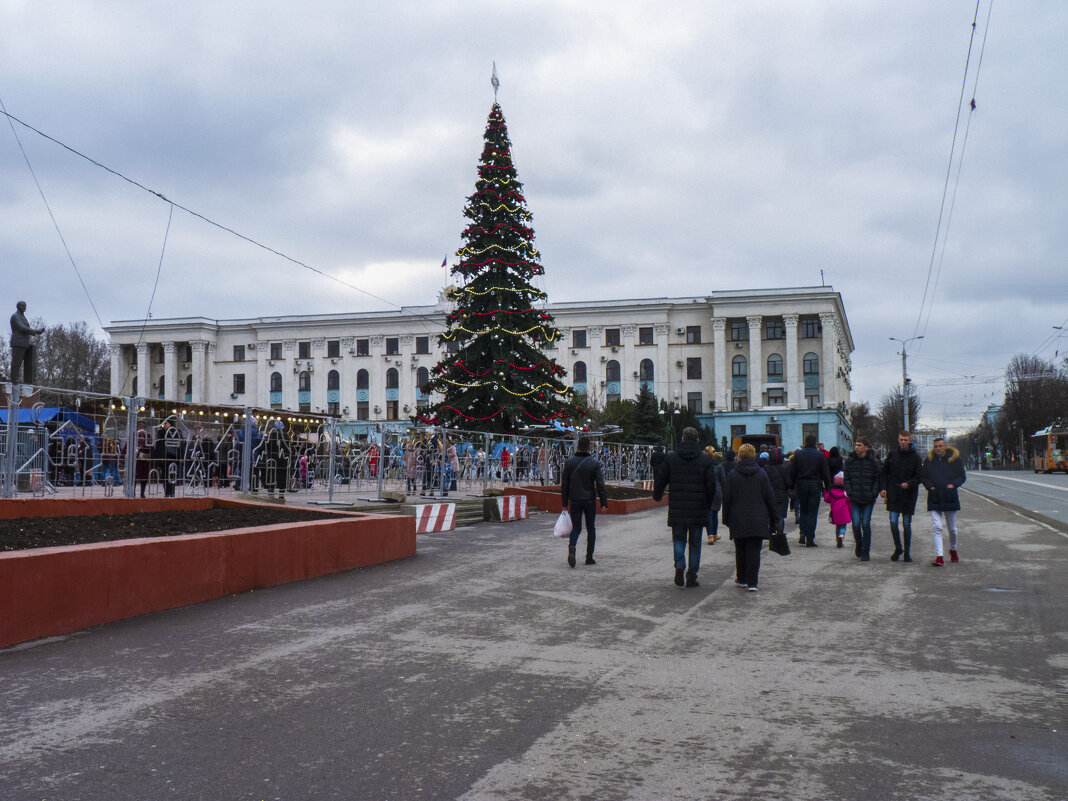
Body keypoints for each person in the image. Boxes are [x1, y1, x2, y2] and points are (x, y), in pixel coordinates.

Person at [653, 428, 718, 587]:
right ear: (697, 440)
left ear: (682, 438)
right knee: (695, 543)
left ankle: (679, 564)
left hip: (678, 506)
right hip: (698, 507)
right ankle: (691, 576)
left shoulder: (671, 458)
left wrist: (657, 495)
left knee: (679, 539)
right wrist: (709, 503)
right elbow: (711, 485)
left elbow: (661, 478)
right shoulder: (705, 460)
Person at [722, 443, 777, 592]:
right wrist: (774, 518)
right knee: (754, 550)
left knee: (740, 549)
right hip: (758, 518)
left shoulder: (733, 474)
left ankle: (742, 578)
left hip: (737, 518)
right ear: (754, 455)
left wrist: (725, 518)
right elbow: (769, 497)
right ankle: (753, 583)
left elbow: (727, 498)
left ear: (739, 455)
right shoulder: (762, 474)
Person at [560, 436, 608, 568]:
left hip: (575, 500)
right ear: (589, 448)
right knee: (591, 528)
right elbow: (600, 484)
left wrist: (564, 503)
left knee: (576, 527)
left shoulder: (569, 463)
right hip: (589, 501)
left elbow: (564, 485)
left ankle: (572, 546)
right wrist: (604, 502)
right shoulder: (594, 464)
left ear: (577, 447)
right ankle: (589, 558)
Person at [921, 437, 967, 566]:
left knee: (952, 529)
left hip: (949, 496)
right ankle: (939, 556)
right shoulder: (929, 461)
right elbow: (923, 476)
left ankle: (953, 549)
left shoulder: (954, 460)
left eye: (940, 446)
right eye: (935, 446)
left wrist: (954, 484)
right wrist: (930, 486)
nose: (938, 449)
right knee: (937, 527)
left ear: (945, 447)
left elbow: (962, 476)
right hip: (934, 496)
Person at [880, 430, 923, 562]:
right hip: (894, 492)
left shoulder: (915, 457)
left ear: (910, 440)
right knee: (893, 522)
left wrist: (909, 484)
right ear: (898, 440)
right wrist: (883, 488)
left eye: (905, 440)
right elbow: (884, 472)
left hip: (909, 495)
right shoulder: (892, 455)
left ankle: (907, 552)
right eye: (901, 439)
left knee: (906, 524)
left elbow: (919, 476)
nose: (903, 442)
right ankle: (898, 547)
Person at [789, 435, 832, 546]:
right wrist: (827, 487)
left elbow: (792, 472)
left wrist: (791, 486)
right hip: (815, 485)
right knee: (812, 513)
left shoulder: (798, 455)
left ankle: (802, 533)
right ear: (815, 443)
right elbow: (825, 473)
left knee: (803, 510)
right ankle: (810, 538)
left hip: (801, 485)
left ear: (805, 442)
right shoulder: (820, 456)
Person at [843, 438, 880, 561]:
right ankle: (859, 542)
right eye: (856, 445)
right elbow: (846, 478)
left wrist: (874, 493)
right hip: (855, 498)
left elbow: (877, 479)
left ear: (866, 447)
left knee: (865, 524)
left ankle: (866, 550)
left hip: (868, 498)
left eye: (859, 445)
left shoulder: (873, 462)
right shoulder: (850, 461)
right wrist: (850, 491)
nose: (856, 447)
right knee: (856, 524)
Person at [759, 449, 792, 545]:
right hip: (782, 495)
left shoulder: (766, 468)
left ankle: (770, 530)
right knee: (781, 515)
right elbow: (788, 483)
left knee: (770, 513)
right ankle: (780, 532)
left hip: (769, 495)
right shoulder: (785, 468)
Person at [9, 300, 45, 386]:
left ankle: (24, 380)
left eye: (25, 306)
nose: (24, 307)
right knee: (16, 362)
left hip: (24, 343)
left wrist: (34, 332)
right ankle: (14, 379)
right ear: (18, 306)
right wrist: (36, 331)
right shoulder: (15, 316)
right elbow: (22, 328)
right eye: (22, 306)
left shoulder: (22, 316)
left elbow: (25, 328)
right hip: (18, 342)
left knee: (22, 362)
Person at [704, 446, 727, 545]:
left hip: (706, 490)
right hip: (717, 491)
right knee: (715, 514)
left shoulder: (703, 464)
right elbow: (723, 480)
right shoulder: (719, 465)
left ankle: (710, 536)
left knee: (708, 513)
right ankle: (714, 533)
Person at [824, 472, 851, 547]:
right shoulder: (845, 494)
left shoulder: (832, 492)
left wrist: (826, 492)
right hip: (844, 512)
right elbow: (849, 504)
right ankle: (841, 536)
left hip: (835, 511)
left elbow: (826, 499)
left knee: (837, 526)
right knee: (843, 526)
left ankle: (837, 539)